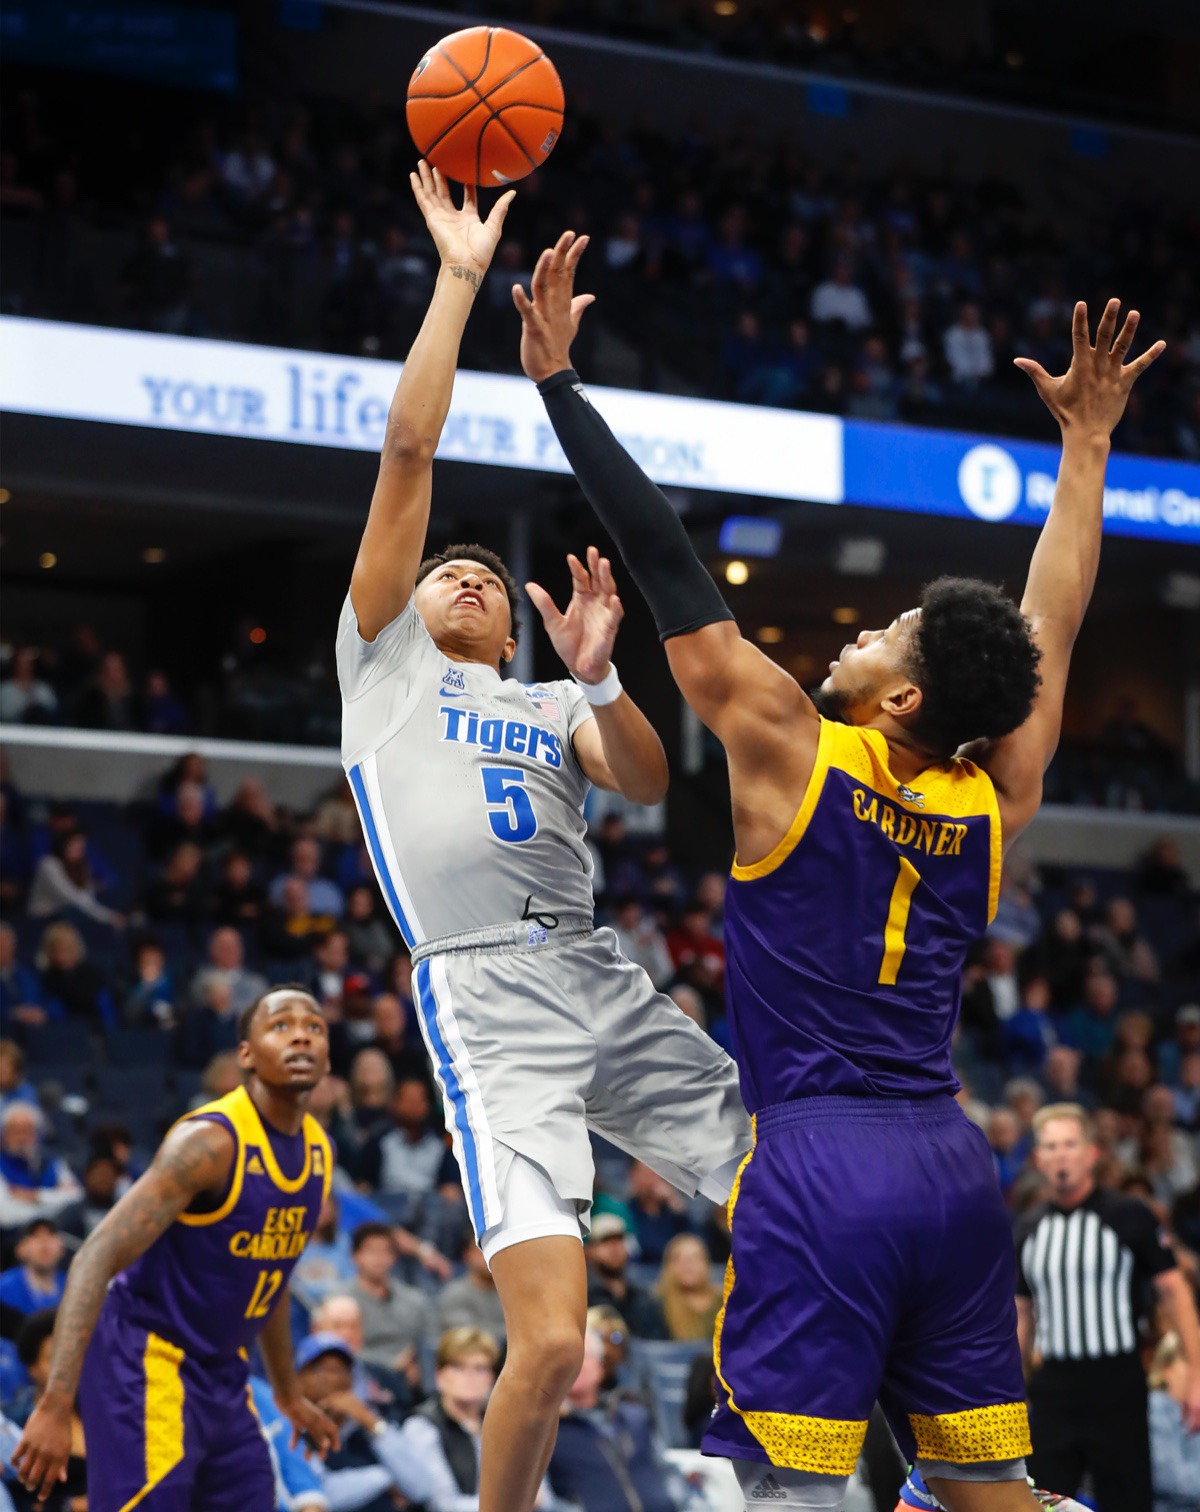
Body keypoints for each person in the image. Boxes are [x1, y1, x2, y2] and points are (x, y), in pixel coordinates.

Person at [517, 234, 1166, 1510]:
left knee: (793, 1495)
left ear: (907, 691)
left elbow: (668, 568)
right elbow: (1057, 615)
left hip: (819, 1166)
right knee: (990, 1495)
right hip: (952, 1167)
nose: (863, 630)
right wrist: (1085, 450)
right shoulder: (994, 800)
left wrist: (559, 389)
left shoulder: (790, 752)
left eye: (887, 633)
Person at [337, 162, 749, 1512]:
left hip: (596, 968)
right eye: (443, 570)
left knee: (788, 1195)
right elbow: (409, 456)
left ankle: (872, 1451)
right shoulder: (383, 671)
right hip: (484, 996)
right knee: (558, 1340)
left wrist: (601, 678)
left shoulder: (540, 692)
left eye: (479, 574)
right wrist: (458, 281)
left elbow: (636, 780)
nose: (460, 572)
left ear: (508, 621)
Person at [12, 988, 339, 1507]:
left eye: (315, 1026)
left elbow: (271, 1280)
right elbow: (94, 1254)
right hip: (146, 1360)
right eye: (281, 1025)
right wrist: (55, 1402)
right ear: (246, 1055)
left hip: (224, 1372)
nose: (301, 1033)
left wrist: (288, 1393)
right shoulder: (210, 1144)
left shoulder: (320, 1151)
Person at [1014, 1104, 1200, 1512]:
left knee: (1127, 1500)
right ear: (1038, 1158)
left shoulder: (1129, 1216)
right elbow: (1021, 1314)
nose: (1061, 1155)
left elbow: (1175, 1291)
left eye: (1069, 1145)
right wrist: (1010, 1388)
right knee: (1043, 1502)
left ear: (1091, 1153)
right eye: (1051, 1146)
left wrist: (1196, 1374)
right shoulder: (1027, 1228)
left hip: (1116, 1383)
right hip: (1053, 1389)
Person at [548, 1326, 684, 1512]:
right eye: (567, 1359)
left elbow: (667, 1471)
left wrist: (678, 1502)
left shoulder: (634, 1414)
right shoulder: (548, 1431)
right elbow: (544, 1500)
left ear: (600, 1366)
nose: (576, 1364)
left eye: (585, 1356)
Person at [397, 1326, 506, 1510]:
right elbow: (442, 1505)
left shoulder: (502, 1424)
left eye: (479, 1368)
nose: (469, 1377)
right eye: (459, 1367)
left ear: (491, 1378)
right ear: (439, 1375)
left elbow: (543, 1496)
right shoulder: (421, 1426)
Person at [336, 1221, 427, 1376]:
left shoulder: (415, 1300)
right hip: (359, 1376)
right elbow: (341, 1348)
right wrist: (390, 1363)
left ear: (394, 1257)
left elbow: (427, 1344)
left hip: (409, 1381)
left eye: (386, 1252)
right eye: (371, 1251)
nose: (379, 1259)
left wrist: (420, 1368)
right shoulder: (340, 1302)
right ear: (354, 1256)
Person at [1147, 1332, 1200, 1512]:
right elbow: (1171, 1479)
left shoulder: (1193, 1413)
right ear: (1167, 1368)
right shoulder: (1154, 1408)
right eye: (1192, 1364)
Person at [437, 1239, 508, 1342]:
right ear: (467, 1254)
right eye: (483, 1251)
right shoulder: (455, 1294)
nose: (491, 1256)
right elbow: (470, 1338)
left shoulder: (511, 1293)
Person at [656, 1233, 722, 1343]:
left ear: (707, 1264)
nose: (688, 1265)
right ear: (669, 1266)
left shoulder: (725, 1301)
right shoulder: (656, 1307)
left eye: (695, 1258)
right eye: (679, 1259)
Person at [0, 1221, 65, 1317]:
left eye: (51, 1235)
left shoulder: (72, 1285)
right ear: (20, 1249)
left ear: (61, 1248)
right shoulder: (4, 1288)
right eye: (35, 1236)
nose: (44, 1242)